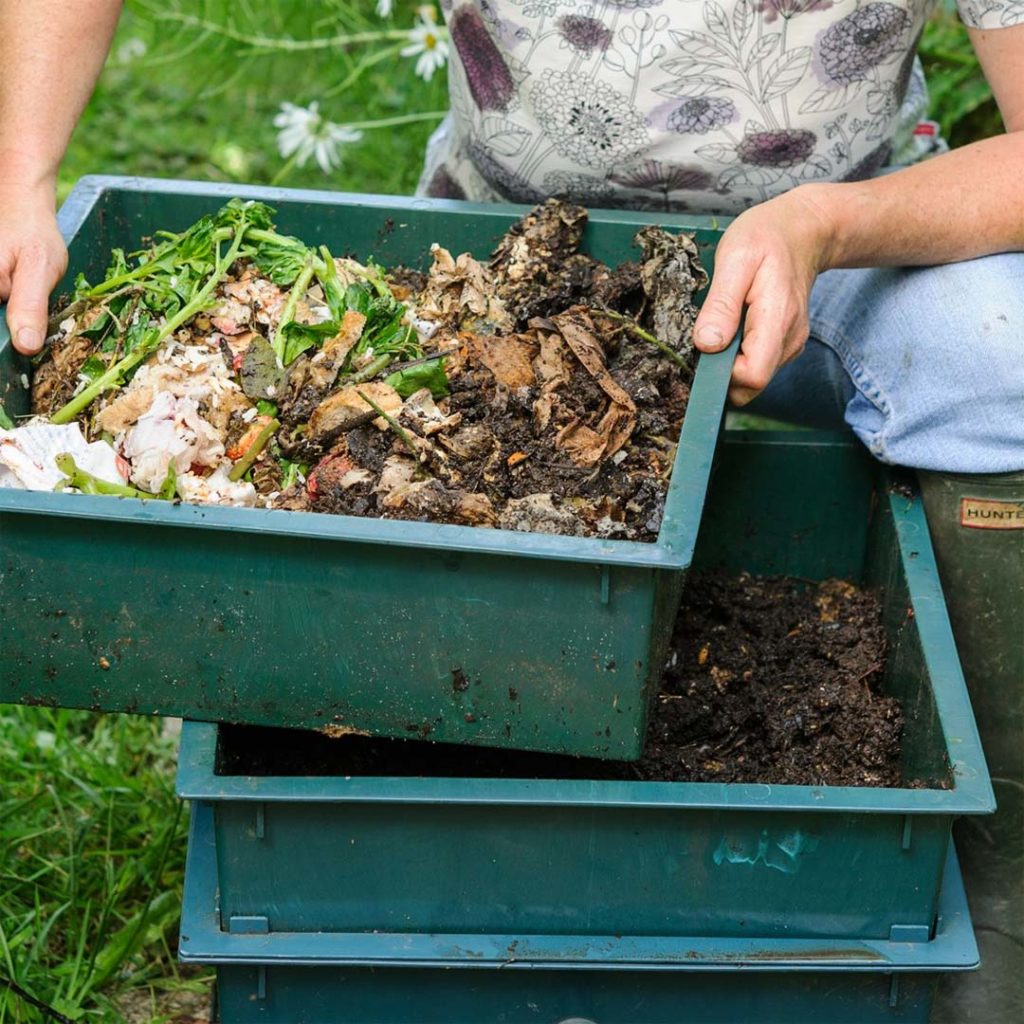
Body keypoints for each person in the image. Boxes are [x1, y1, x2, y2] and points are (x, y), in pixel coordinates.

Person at [1, 0, 1020, 1019]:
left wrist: (824, 224)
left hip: (836, 258)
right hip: (509, 260)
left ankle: (994, 895)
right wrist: (20, 177)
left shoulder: (833, 233)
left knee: (998, 356)